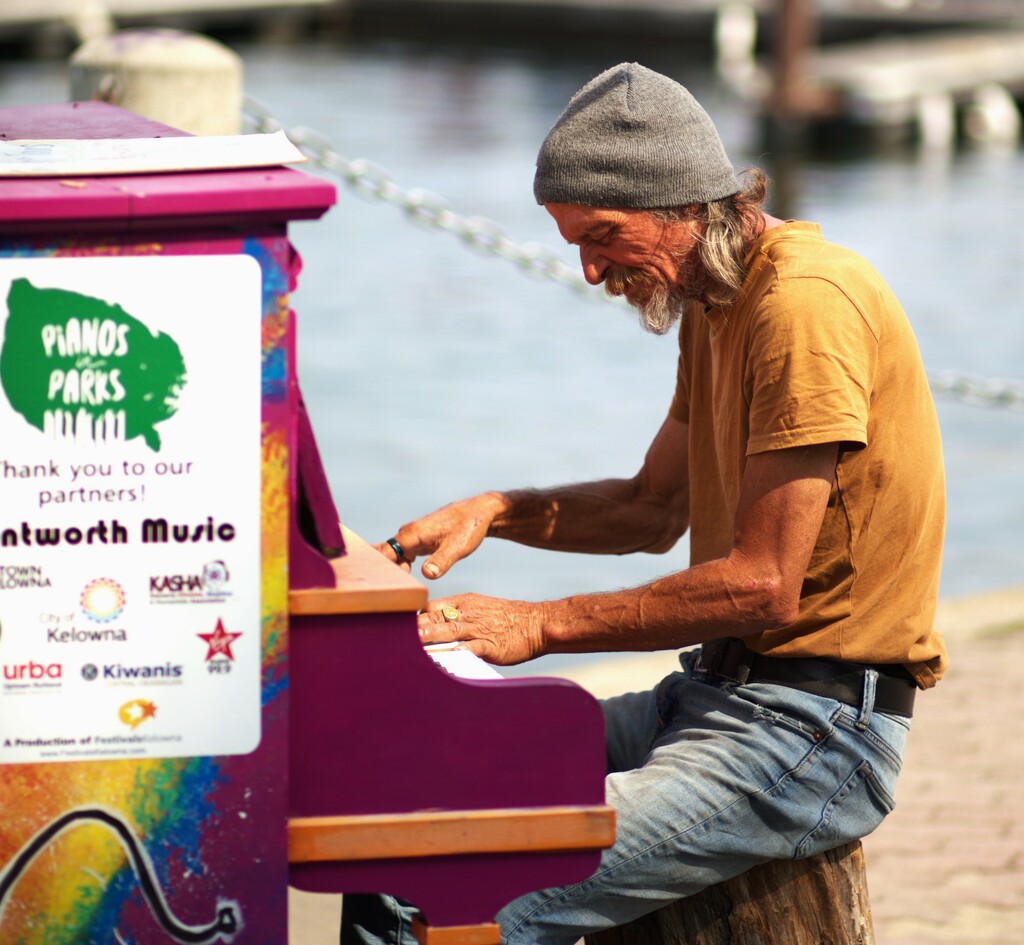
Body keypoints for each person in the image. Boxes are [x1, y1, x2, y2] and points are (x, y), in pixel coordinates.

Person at [343, 61, 946, 945]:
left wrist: (540, 625)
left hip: (813, 735)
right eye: (573, 243)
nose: (589, 271)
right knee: (406, 817)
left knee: (445, 891)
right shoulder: (715, 299)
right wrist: (497, 508)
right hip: (713, 696)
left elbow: (763, 586)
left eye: (604, 235)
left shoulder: (805, 304)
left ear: (684, 202)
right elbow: (649, 507)